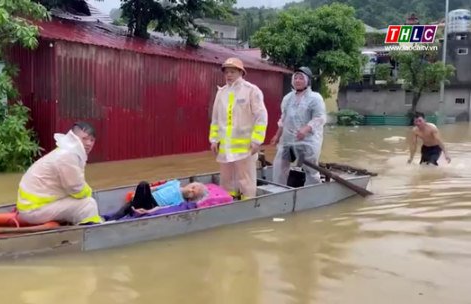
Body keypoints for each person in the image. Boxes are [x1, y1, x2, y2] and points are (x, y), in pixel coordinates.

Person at [16, 122, 102, 225]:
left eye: (92, 140)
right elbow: (78, 190)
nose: (89, 143)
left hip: (31, 205)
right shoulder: (68, 157)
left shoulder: (66, 151)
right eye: (84, 138)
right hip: (34, 209)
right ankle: (92, 232)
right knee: (88, 204)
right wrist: (90, 194)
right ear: (74, 137)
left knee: (81, 198)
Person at [209, 58, 268, 200]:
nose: (229, 75)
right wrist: (214, 140)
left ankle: (247, 205)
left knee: (246, 180)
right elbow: (215, 120)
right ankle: (229, 202)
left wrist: (256, 140)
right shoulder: (221, 93)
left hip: (245, 147)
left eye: (232, 72)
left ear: (241, 72)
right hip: (225, 147)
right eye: (226, 72)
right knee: (226, 179)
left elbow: (261, 117)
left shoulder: (251, 91)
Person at [270, 67, 326, 186]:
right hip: (288, 141)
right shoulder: (288, 98)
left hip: (308, 141)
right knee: (279, 164)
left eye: (301, 78)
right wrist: (277, 135)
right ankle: (279, 188)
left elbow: (320, 118)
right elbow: (283, 119)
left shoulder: (315, 98)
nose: (297, 80)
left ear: (307, 81)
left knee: (310, 168)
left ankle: (312, 190)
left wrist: (306, 129)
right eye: (295, 78)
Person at [105, 180, 209, 220]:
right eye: (193, 187)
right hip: (149, 196)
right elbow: (155, 188)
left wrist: (148, 211)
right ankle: (113, 220)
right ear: (190, 184)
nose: (190, 190)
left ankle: (112, 220)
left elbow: (163, 208)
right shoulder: (175, 183)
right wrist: (138, 194)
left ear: (193, 198)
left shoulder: (181, 202)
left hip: (152, 205)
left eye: (193, 193)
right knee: (143, 184)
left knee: (130, 205)